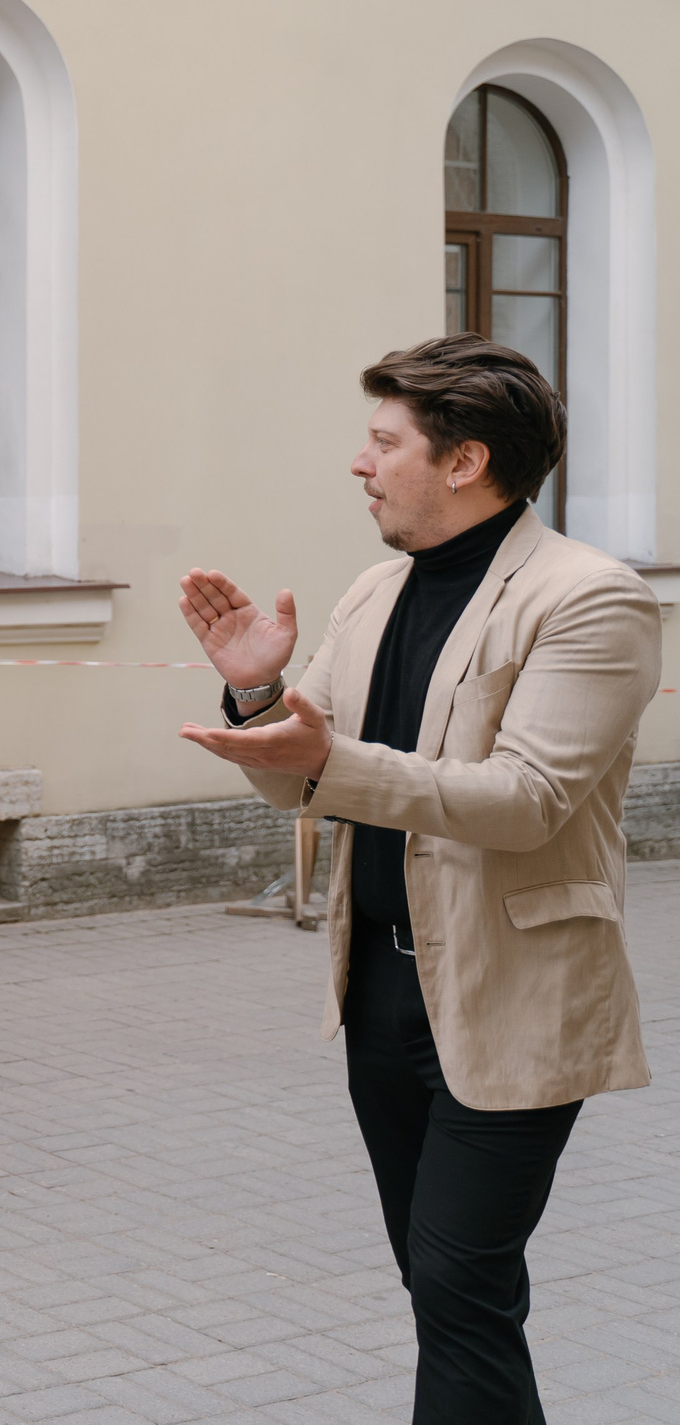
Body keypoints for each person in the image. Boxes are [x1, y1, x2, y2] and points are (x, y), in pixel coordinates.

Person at [177, 334, 659, 1423]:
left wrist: (328, 759)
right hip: (381, 997)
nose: (361, 463)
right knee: (446, 1289)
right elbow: (300, 783)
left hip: (515, 991)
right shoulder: (372, 592)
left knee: (457, 1282)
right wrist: (257, 698)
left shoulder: (591, 598)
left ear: (463, 460)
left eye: (383, 442)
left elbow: (529, 798)